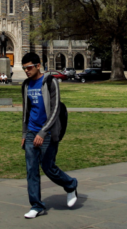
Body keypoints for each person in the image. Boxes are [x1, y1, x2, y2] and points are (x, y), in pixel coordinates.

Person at [20, 52, 78, 219]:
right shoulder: (25, 85)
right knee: (31, 169)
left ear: (38, 66)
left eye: (29, 67)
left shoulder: (50, 82)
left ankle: (71, 184)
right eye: (24, 68)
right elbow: (26, 111)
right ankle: (37, 205)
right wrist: (25, 133)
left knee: (48, 167)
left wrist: (43, 132)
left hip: (48, 132)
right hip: (31, 132)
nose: (26, 71)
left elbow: (55, 111)